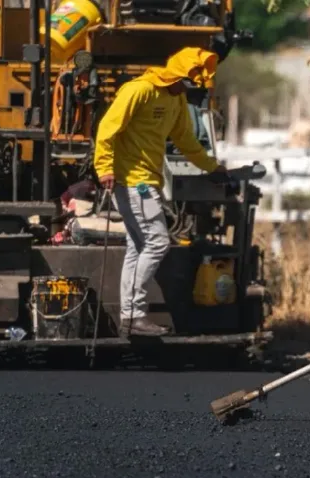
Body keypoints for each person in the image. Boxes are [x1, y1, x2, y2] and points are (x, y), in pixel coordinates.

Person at [93, 47, 227, 337]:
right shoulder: (139, 90)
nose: (187, 90)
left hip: (146, 181)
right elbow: (107, 128)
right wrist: (104, 168)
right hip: (132, 182)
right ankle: (134, 315)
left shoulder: (176, 99)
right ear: (176, 75)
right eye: (186, 83)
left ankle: (130, 317)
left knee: (138, 247)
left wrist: (212, 167)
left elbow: (185, 140)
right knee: (157, 242)